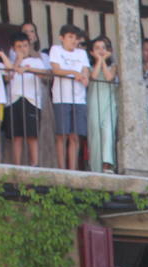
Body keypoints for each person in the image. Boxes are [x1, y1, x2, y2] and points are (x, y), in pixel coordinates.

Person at [48, 24, 88, 170]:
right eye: (70, 37)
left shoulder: (82, 54)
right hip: (61, 98)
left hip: (79, 98)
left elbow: (85, 72)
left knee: (75, 136)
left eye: (76, 38)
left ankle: (73, 169)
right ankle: (62, 168)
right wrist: (74, 72)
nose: (73, 41)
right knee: (62, 135)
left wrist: (85, 78)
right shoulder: (56, 50)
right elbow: (56, 70)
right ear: (62, 38)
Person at [6, 34, 48, 165]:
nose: (22, 49)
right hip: (13, 100)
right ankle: (17, 165)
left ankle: (34, 164)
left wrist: (28, 69)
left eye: (25, 46)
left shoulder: (36, 61)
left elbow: (44, 75)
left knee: (32, 136)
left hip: (32, 101)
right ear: (13, 48)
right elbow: (7, 77)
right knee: (16, 137)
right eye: (19, 46)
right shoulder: (9, 62)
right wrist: (17, 61)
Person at [84, 35, 116, 173]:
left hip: (109, 101)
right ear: (92, 52)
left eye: (103, 47)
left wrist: (102, 61)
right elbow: (94, 76)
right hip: (94, 101)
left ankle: (106, 164)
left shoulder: (113, 66)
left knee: (108, 131)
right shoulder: (88, 67)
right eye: (97, 48)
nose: (101, 50)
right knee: (95, 134)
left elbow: (109, 77)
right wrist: (100, 60)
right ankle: (95, 167)